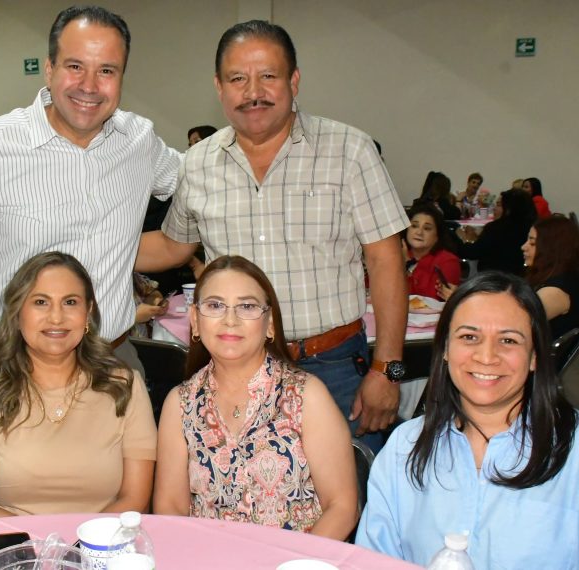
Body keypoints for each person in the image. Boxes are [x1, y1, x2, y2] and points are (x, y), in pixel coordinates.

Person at [137, 20, 409, 449]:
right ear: (219, 87)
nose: (253, 92)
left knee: (348, 503)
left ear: (294, 80)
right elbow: (174, 245)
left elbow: (386, 261)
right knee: (244, 508)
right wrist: (96, 248)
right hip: (237, 371)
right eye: (237, 79)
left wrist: (388, 371)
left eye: (268, 76)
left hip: (336, 367)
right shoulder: (198, 163)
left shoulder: (349, 151)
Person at [356, 272, 579, 568]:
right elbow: (374, 558)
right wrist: (387, 371)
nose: (486, 356)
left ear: (534, 357)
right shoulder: (406, 447)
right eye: (469, 337)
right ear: (444, 350)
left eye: (509, 340)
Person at [0, 5, 181, 390]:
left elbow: (195, 179)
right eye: (75, 66)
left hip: (110, 363)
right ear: (49, 69)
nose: (89, 85)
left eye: (107, 71)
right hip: (9, 366)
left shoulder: (138, 141)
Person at [153, 256, 357, 540]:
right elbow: (170, 508)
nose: (230, 320)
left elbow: (342, 507)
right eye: (215, 305)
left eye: (247, 306)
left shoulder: (305, 396)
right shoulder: (181, 403)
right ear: (195, 321)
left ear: (270, 324)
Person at [0, 252, 155, 515]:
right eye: (41, 302)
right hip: (10, 547)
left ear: (87, 313)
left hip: (99, 547)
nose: (56, 317)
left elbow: (135, 499)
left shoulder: (124, 386)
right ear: (18, 312)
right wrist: (36, 545)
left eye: (70, 302)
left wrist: (75, 549)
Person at [522, 216, 579, 365]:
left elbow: (515, 324)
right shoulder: (568, 274)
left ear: (552, 249)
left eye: (532, 243)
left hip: (536, 366)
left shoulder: (556, 291)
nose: (524, 247)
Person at [448, 188, 535, 280]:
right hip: (520, 280)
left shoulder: (496, 229)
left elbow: (471, 253)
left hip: (490, 281)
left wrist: (451, 235)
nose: (494, 208)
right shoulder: (532, 229)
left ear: (508, 210)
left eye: (498, 205)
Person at [403, 203, 461, 300]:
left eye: (427, 228)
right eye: (414, 226)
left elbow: (430, 301)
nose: (419, 232)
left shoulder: (447, 261)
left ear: (437, 236)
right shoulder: (397, 254)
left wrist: (407, 265)